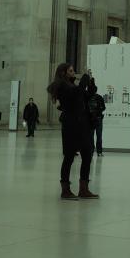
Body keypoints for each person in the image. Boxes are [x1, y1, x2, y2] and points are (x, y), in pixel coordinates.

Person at [48, 63, 98, 200]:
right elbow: (75, 95)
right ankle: (65, 190)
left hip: (82, 124)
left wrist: (91, 81)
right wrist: (84, 79)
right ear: (63, 73)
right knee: (69, 156)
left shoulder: (73, 85)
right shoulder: (62, 86)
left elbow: (88, 94)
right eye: (71, 70)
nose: (73, 72)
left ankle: (84, 188)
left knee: (87, 154)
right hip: (71, 124)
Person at [88, 87, 105, 156]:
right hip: (98, 119)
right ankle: (99, 152)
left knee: (91, 136)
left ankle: (91, 151)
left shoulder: (87, 97)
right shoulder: (99, 97)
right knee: (99, 135)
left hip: (90, 119)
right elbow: (103, 107)